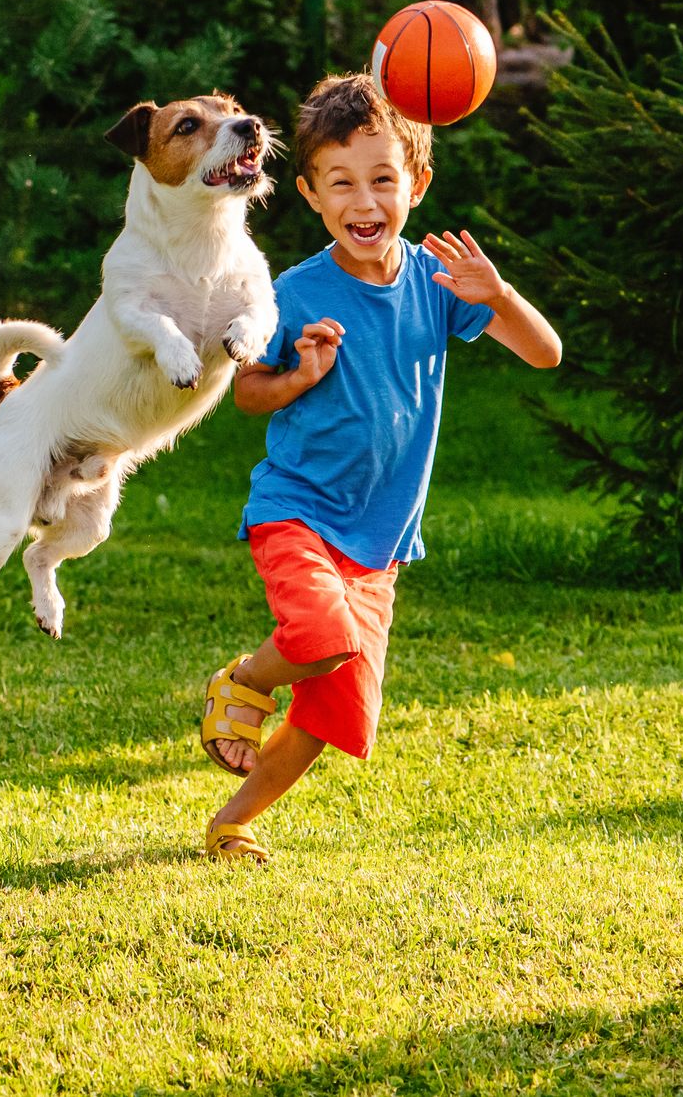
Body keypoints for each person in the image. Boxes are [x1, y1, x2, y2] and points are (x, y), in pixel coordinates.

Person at [199, 71, 564, 862]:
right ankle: (245, 683)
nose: (364, 202)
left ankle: (234, 822)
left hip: (378, 542)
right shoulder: (292, 291)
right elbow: (248, 394)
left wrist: (497, 295)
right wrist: (298, 376)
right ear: (309, 194)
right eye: (342, 183)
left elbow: (545, 353)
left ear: (417, 184)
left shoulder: (441, 283)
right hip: (298, 509)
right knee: (320, 636)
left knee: (333, 716)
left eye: (383, 180)